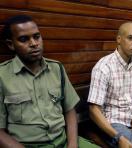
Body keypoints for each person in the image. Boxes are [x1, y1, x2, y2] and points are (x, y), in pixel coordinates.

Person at [0, 15, 98, 148]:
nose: (34, 43)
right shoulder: (2, 76)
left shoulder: (56, 68)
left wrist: (72, 144)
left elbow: (69, 110)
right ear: (11, 44)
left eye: (36, 36)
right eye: (24, 39)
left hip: (64, 140)